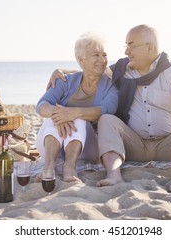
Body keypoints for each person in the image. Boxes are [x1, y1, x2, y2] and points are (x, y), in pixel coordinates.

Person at [48, 24, 171, 193]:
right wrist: (61, 71)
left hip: (169, 145)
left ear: (150, 48)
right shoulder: (122, 69)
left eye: (131, 45)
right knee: (107, 119)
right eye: (126, 46)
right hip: (135, 145)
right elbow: (92, 70)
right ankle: (113, 174)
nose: (126, 51)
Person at [35, 32, 118, 182]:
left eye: (104, 55)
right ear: (81, 59)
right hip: (51, 144)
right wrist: (59, 114)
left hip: (87, 147)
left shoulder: (110, 85)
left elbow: (108, 109)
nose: (102, 60)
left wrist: (73, 113)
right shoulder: (65, 81)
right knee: (54, 113)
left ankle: (69, 167)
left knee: (79, 118)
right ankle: (48, 166)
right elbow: (41, 105)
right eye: (96, 55)